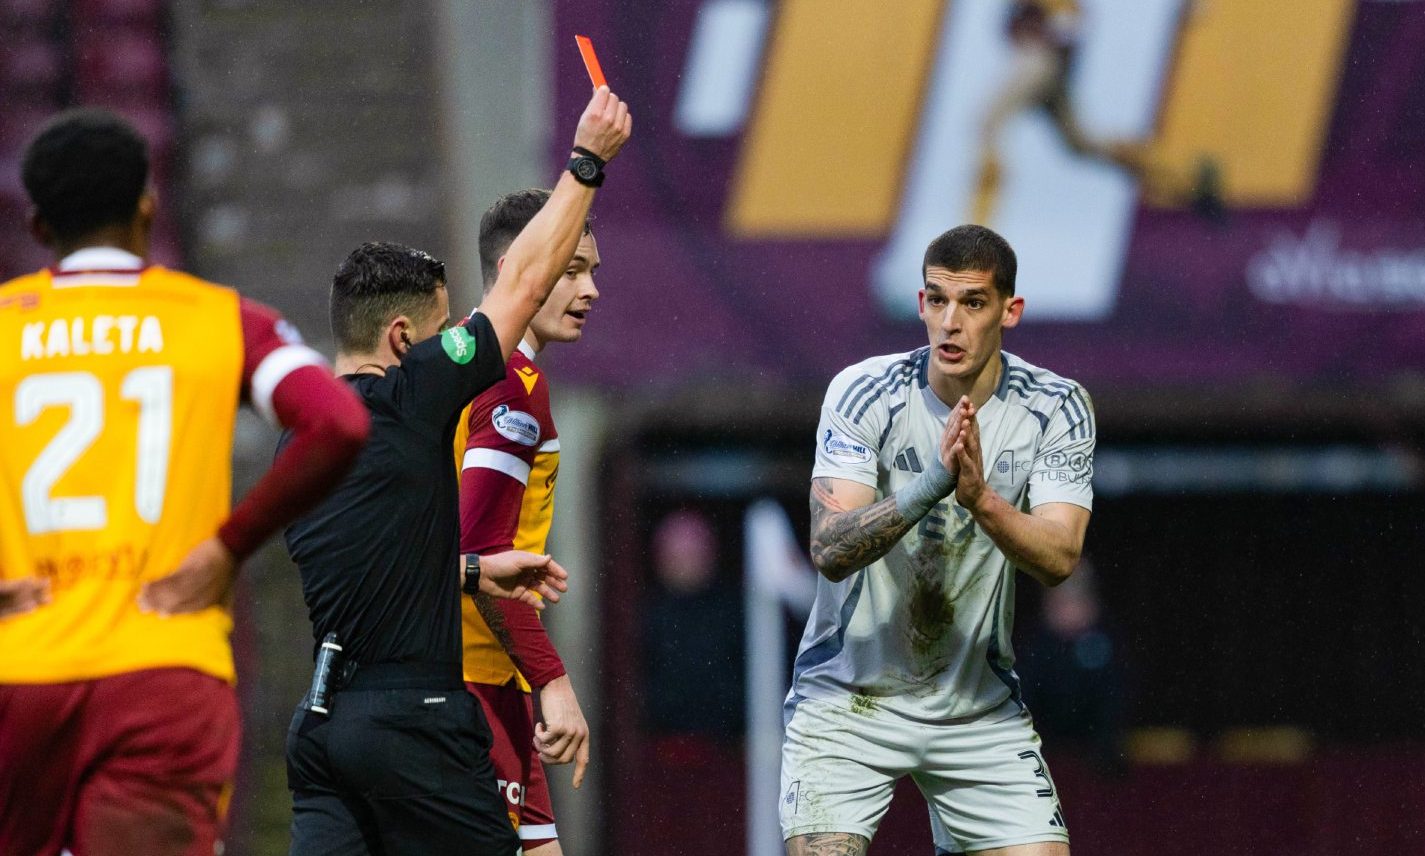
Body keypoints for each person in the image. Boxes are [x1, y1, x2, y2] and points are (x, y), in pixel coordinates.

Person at [0, 108, 370, 856]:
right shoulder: (221, 320)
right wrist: (228, 548)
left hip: (19, 672)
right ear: (147, 205)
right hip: (166, 669)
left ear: (37, 226)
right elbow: (338, 422)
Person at [278, 87, 631, 854]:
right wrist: (586, 163)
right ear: (404, 339)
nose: (453, 345)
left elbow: (384, 556)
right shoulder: (424, 398)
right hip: (423, 710)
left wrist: (472, 572)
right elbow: (519, 288)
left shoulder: (297, 442)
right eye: (442, 332)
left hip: (322, 722)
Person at [781, 224, 1095, 856]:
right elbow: (830, 550)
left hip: (977, 708)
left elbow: (1060, 557)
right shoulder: (864, 391)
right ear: (921, 304)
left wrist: (979, 499)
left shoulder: (1057, 406)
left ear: (1011, 311)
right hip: (849, 700)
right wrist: (930, 486)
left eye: (973, 303)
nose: (950, 322)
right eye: (936, 300)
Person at [450, 186, 602, 854]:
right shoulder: (511, 386)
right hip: (474, 679)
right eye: (572, 269)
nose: (590, 289)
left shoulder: (453, 361)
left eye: (593, 271)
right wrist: (555, 683)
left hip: (488, 674)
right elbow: (482, 554)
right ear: (523, 267)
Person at [971, 0, 1221, 225]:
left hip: (1040, 61)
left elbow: (1071, 20)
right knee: (1080, 143)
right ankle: (1186, 180)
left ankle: (977, 233)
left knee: (988, 123)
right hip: (1047, 64)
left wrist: (1053, 38)